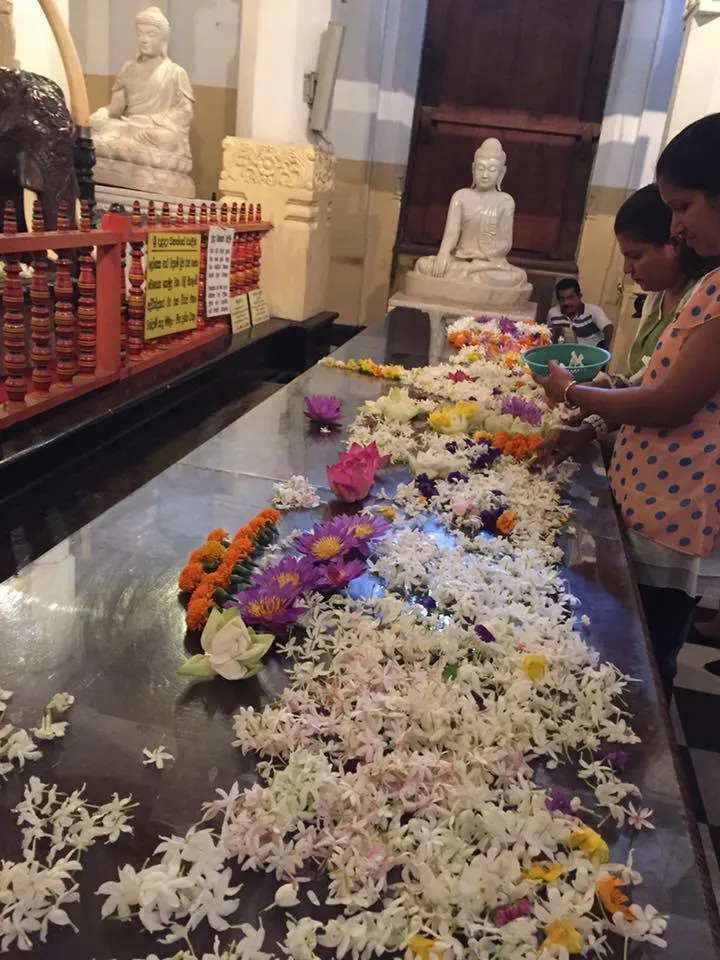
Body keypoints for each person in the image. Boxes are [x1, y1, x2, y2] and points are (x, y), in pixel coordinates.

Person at [532, 113, 720, 699]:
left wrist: (569, 392)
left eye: (685, 206)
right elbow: (654, 380)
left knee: (644, 659)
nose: (679, 226)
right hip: (649, 493)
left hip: (678, 508)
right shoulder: (709, 287)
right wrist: (589, 424)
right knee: (624, 636)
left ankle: (645, 755)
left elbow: (670, 401)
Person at [539, 183, 711, 465]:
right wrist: (587, 426)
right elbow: (641, 381)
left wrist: (573, 391)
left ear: (675, 245)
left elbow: (662, 405)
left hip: (681, 466)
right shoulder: (657, 299)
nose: (627, 269)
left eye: (636, 255)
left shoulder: (703, 302)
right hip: (637, 455)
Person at [547, 278, 614, 349]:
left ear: (579, 296)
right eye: (562, 299)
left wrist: (606, 353)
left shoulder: (593, 311)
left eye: (570, 298)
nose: (566, 303)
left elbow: (608, 328)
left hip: (590, 355)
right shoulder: (553, 313)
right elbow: (550, 336)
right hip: (564, 355)